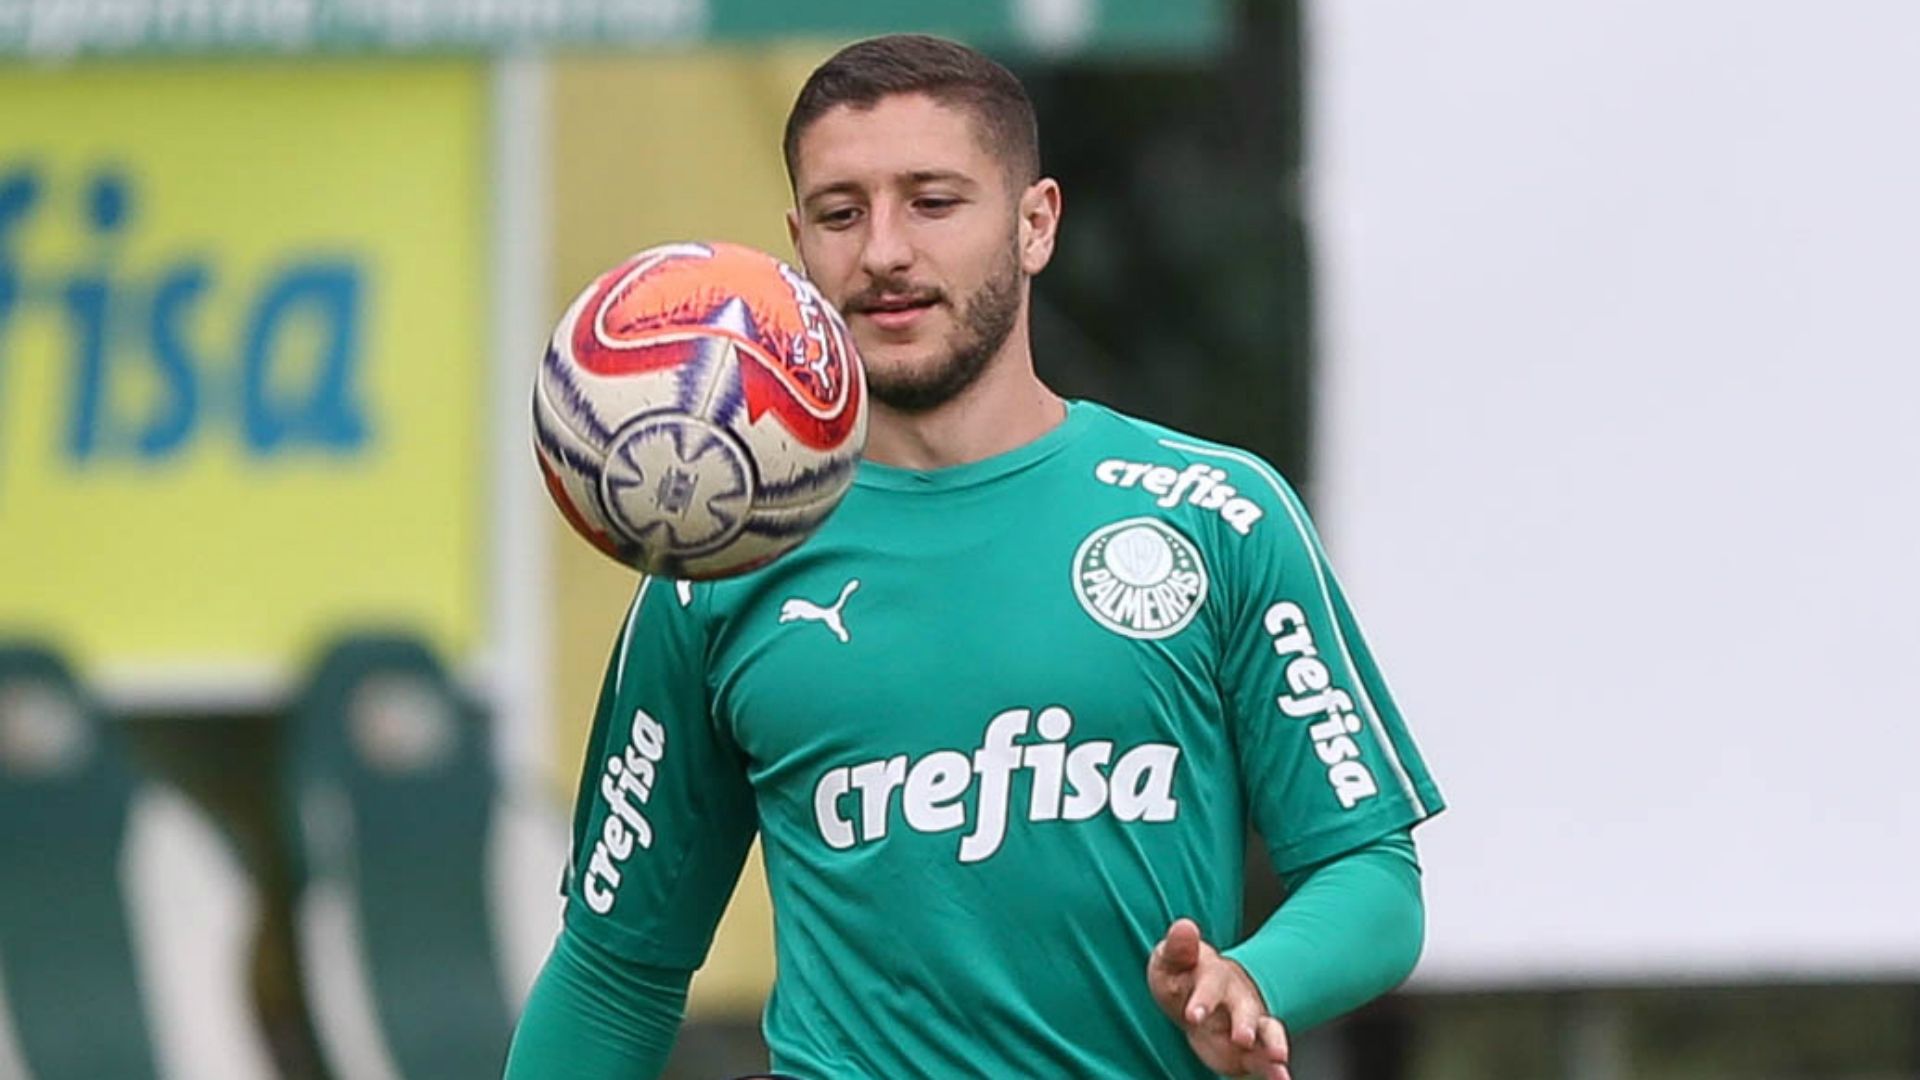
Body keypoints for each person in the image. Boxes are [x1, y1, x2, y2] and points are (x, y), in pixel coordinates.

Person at [506, 33, 1442, 1080]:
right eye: (841, 212)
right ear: (795, 245)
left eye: (934, 202)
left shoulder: (1216, 512)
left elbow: (1371, 873)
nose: (884, 252)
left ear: (1035, 223)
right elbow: (614, 971)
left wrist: (1261, 978)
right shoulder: (720, 561)